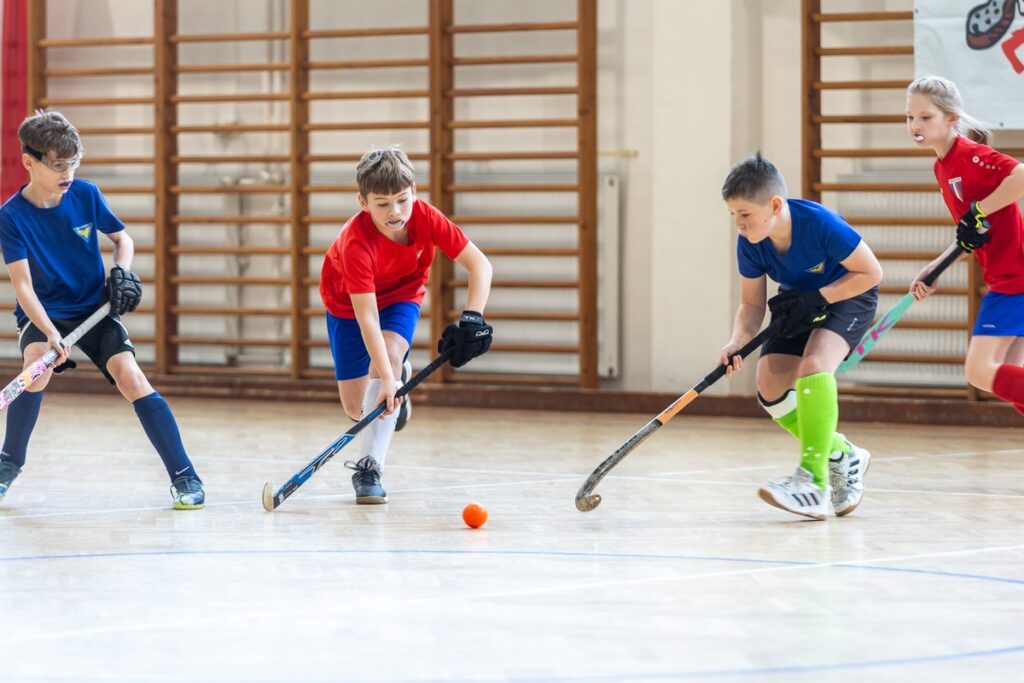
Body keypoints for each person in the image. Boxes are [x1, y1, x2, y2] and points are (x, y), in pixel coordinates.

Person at [0, 111, 204, 509]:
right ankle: (8, 464)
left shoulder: (85, 194)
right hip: (47, 313)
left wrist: (121, 272)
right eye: (58, 165)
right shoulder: (11, 217)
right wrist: (50, 333)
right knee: (35, 366)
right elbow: (23, 285)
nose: (68, 173)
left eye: (73, 163)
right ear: (29, 162)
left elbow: (122, 239)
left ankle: (185, 476)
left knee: (130, 377)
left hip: (95, 309)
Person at [319, 147, 493, 504]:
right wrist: (386, 380)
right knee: (358, 409)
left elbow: (480, 266)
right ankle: (397, 386)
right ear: (362, 202)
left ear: (414, 190)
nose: (394, 212)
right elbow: (367, 316)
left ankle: (368, 468)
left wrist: (472, 317)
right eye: (382, 204)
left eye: (401, 200)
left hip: (402, 296)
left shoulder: (427, 217)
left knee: (391, 354)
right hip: (348, 307)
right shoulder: (355, 243)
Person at [719, 153, 883, 520]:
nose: (739, 225)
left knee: (814, 365)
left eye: (745, 215)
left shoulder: (821, 225)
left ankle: (813, 481)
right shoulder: (751, 243)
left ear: (774, 205)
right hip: (800, 302)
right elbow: (751, 304)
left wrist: (820, 297)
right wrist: (737, 341)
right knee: (770, 386)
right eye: (734, 216)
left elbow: (871, 272)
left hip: (848, 295)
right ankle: (843, 454)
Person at [906, 76, 1024, 415]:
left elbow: (1020, 176)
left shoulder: (970, 156)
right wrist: (936, 266)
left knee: (980, 371)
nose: (915, 125)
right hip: (1006, 276)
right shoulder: (942, 167)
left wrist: (981, 208)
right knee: (1009, 377)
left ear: (952, 119)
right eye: (909, 117)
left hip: (1015, 277)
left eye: (925, 117)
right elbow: (971, 233)